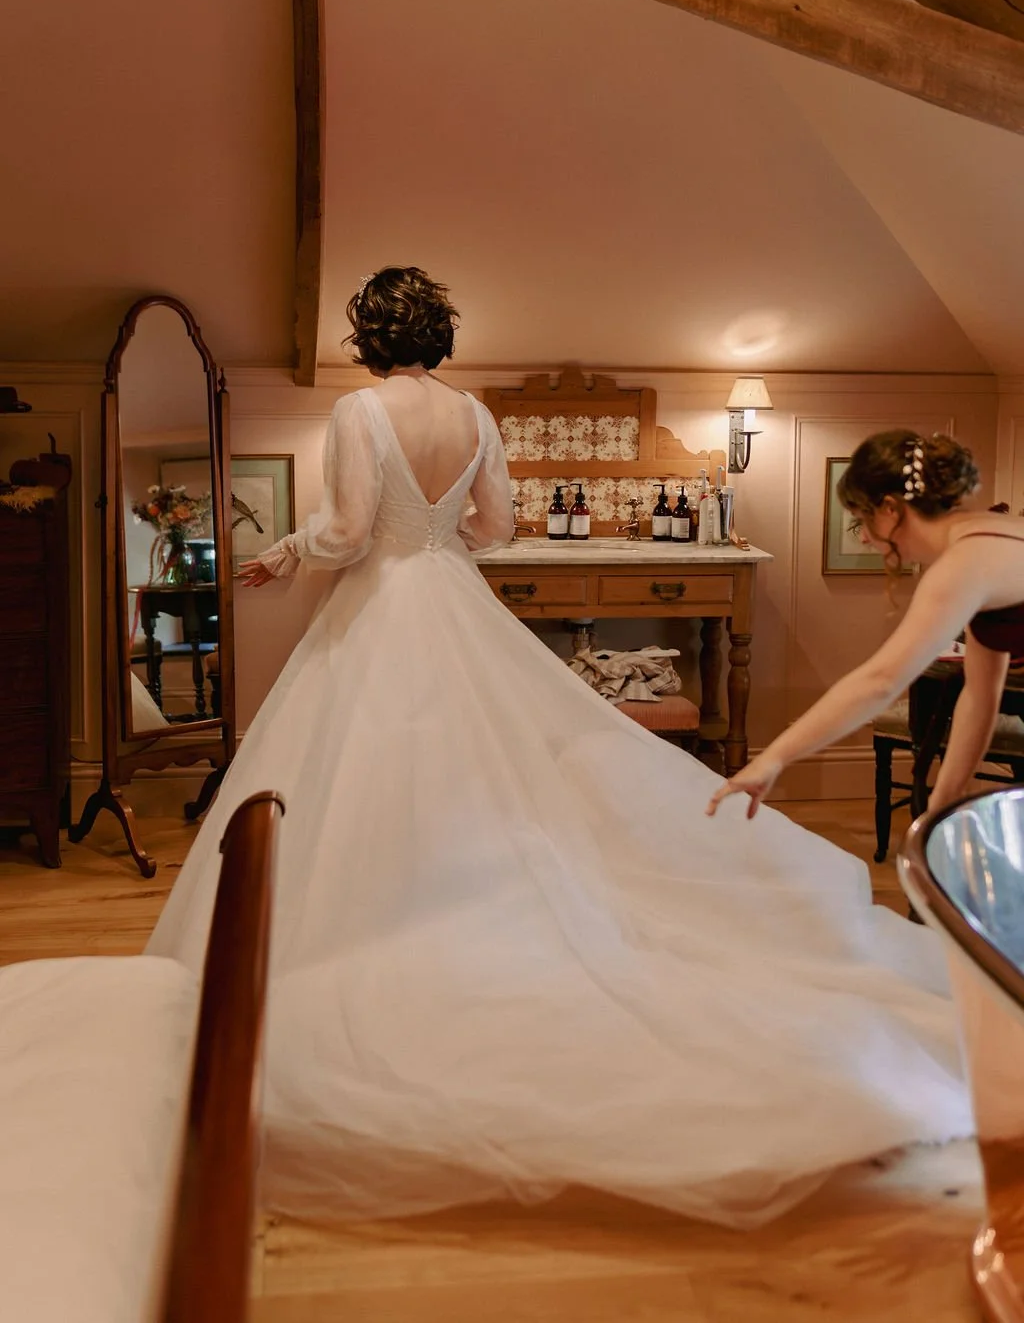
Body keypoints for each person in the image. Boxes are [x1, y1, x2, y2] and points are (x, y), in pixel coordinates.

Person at [148, 271, 971, 1230]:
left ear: (367, 337)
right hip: (453, 598)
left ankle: (391, 928)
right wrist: (438, 534)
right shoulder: (475, 418)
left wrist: (286, 552)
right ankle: (476, 922)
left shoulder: (360, 411)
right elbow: (496, 530)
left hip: (379, 612)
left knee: (358, 777)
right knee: (497, 786)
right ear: (439, 335)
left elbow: (345, 529)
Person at [707, 431, 1024, 820]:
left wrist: (771, 759)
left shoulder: (961, 565)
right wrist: (941, 810)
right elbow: (979, 696)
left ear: (890, 509)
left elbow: (880, 683)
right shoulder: (985, 538)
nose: (870, 540)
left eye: (863, 520)